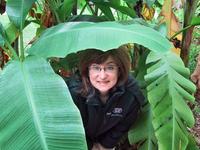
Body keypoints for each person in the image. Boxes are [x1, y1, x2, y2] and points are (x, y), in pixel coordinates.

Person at [66, 46, 145, 150]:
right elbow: (68, 127)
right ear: (87, 70)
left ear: (119, 70)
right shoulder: (72, 93)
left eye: (110, 67)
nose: (102, 76)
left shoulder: (131, 94)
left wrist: (105, 145)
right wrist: (91, 146)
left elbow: (124, 124)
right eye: (96, 68)